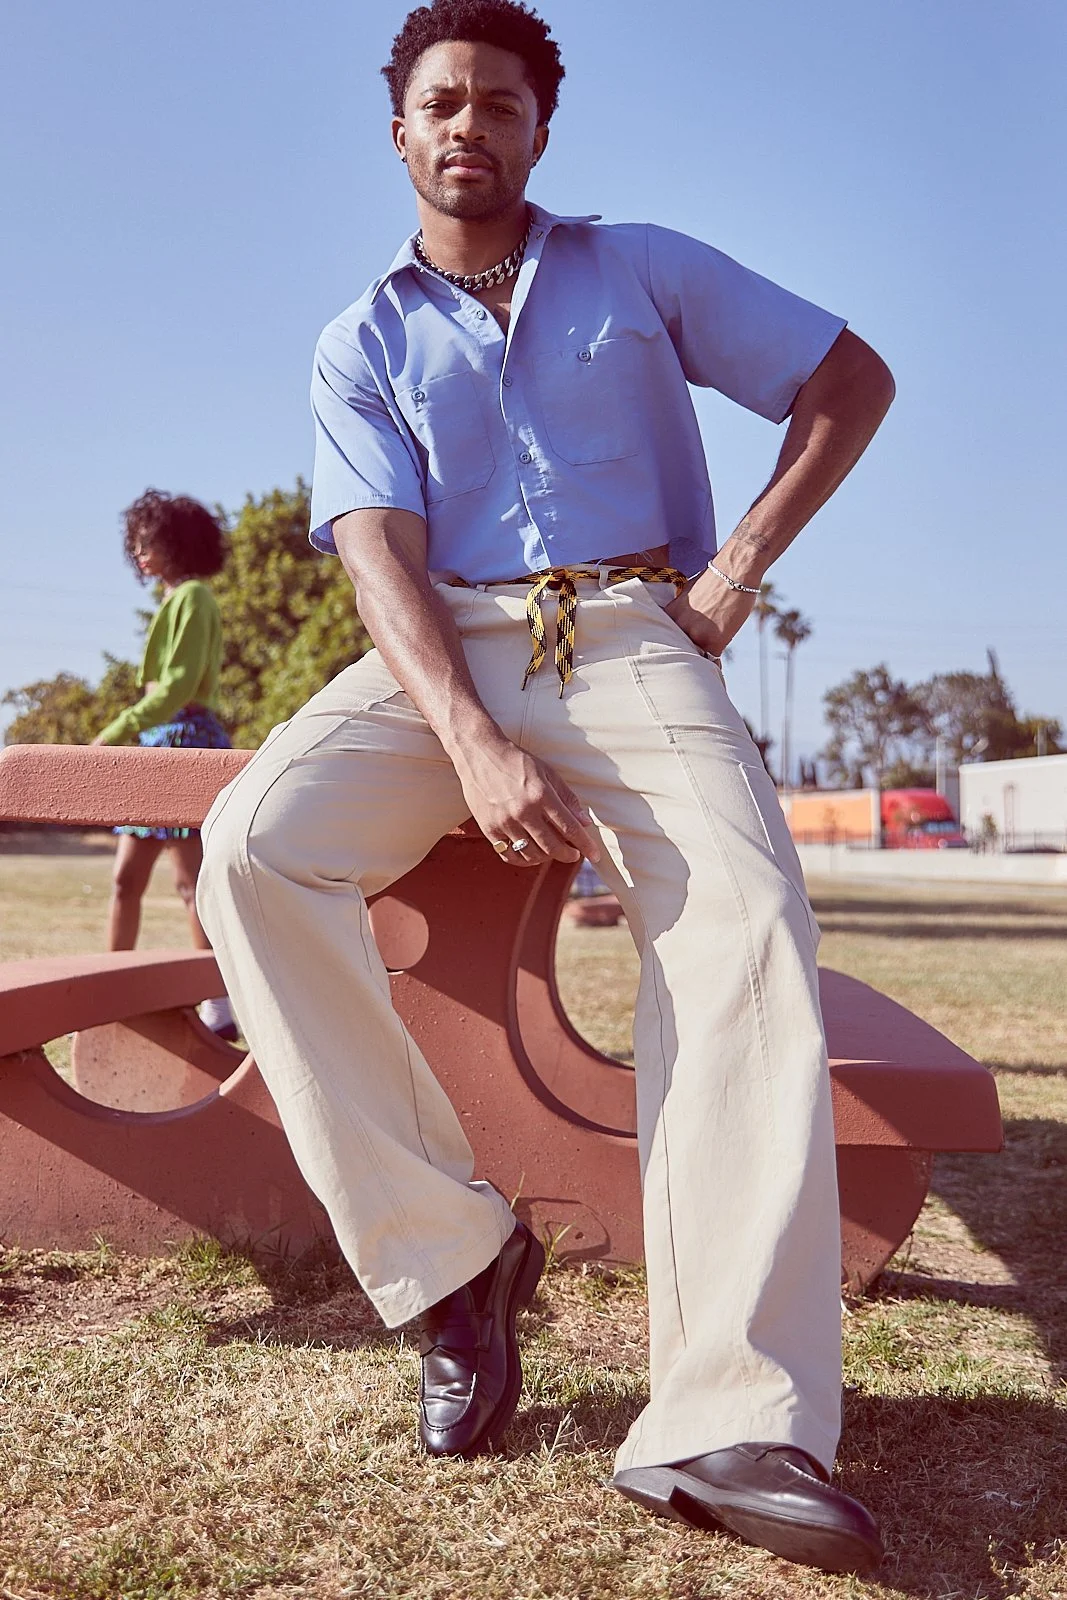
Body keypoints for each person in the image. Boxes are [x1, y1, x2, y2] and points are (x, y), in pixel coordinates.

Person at [196, 0, 896, 1574]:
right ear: (399, 130)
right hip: (442, 649)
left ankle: (731, 1413)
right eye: (439, 101)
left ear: (536, 132)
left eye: (498, 105)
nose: (467, 126)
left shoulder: (640, 265)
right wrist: (470, 741)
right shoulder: (357, 337)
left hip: (639, 629)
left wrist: (723, 583)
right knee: (251, 847)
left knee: (741, 924)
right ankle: (450, 1263)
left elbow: (848, 377)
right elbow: (376, 555)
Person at [95, 489, 236, 1041]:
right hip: (156, 742)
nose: (138, 552)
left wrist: (114, 731)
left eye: (148, 541)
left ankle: (217, 1005)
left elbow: (178, 686)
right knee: (125, 878)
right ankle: (106, 991)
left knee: (188, 880)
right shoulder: (172, 599)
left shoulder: (195, 597)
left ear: (177, 542)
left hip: (183, 740)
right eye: (134, 543)